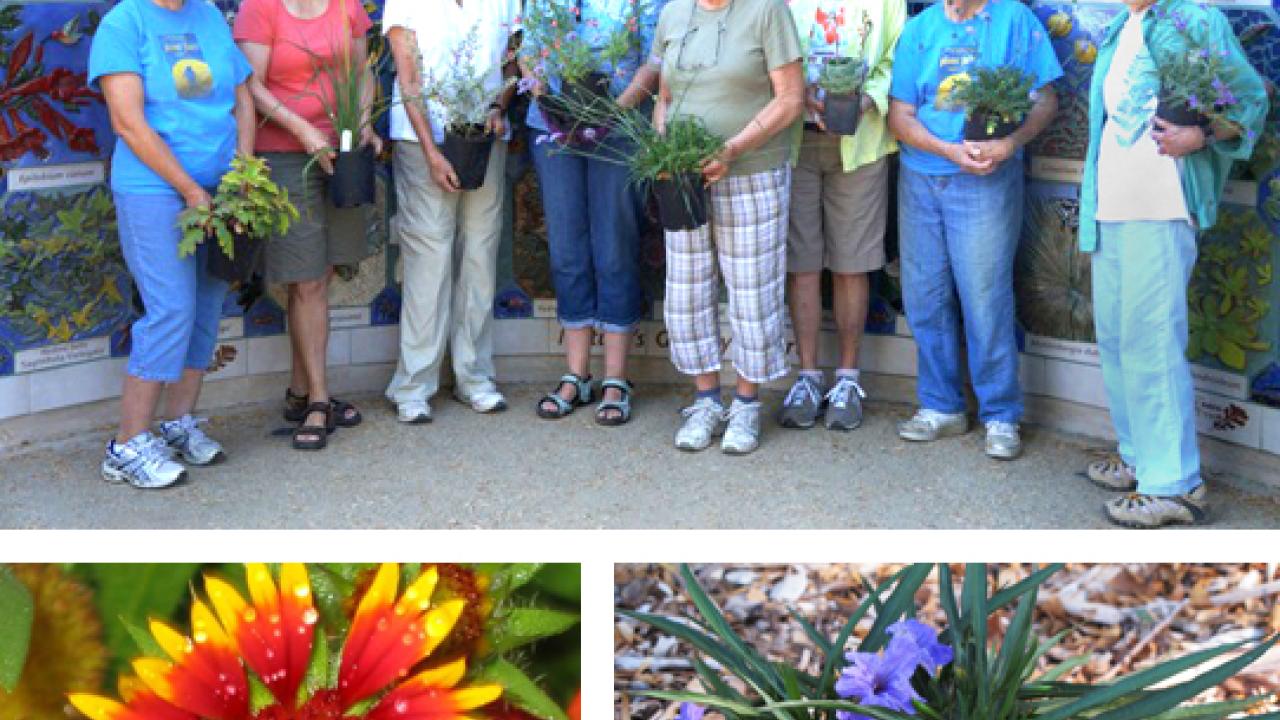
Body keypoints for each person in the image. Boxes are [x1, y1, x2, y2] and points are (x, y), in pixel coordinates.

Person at [1078, 0, 1266, 527]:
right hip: (1112, 205)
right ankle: (1139, 458)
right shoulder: (1123, 26)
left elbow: (1251, 101)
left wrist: (1200, 136)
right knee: (1116, 336)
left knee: (1152, 339)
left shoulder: (1195, 19)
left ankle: (1176, 484)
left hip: (1162, 206)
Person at [89, 0, 254, 487]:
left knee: (206, 304)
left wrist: (242, 169)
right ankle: (126, 444)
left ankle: (178, 422)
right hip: (155, 191)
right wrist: (188, 189)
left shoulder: (207, 15)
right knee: (170, 308)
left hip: (219, 192)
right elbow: (127, 122)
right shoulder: (125, 22)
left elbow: (242, 95)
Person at [887, 0, 1061, 460]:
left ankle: (1001, 414)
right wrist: (946, 150)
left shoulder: (1014, 20)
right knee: (925, 295)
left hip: (986, 180)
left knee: (985, 297)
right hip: (921, 177)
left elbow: (1045, 99)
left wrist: (1010, 142)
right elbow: (899, 114)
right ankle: (941, 406)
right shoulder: (921, 27)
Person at [650, 0, 806, 454]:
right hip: (685, 178)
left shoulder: (766, 11)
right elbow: (664, 99)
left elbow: (791, 98)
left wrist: (733, 149)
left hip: (753, 170)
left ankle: (745, 404)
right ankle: (704, 401)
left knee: (752, 291)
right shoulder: (673, 13)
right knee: (686, 292)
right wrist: (665, 154)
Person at [234, 0, 380, 450]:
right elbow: (250, 85)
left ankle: (300, 392)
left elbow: (363, 71)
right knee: (307, 279)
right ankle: (319, 399)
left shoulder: (346, 6)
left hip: (340, 153)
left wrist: (363, 124)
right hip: (283, 155)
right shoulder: (258, 9)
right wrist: (301, 129)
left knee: (323, 272)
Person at [521, 0, 665, 426]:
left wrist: (611, 110)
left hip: (618, 129)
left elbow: (654, 60)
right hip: (555, 130)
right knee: (567, 247)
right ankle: (576, 374)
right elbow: (530, 51)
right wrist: (549, 99)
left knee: (614, 245)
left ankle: (616, 378)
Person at [381, 0, 520, 424]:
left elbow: (513, 64)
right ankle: (413, 383)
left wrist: (499, 107)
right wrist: (431, 152)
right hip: (422, 142)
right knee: (429, 260)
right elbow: (408, 81)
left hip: (485, 139)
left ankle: (474, 377)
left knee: (481, 253)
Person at [778, 0, 905, 431]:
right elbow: (769, 50)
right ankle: (809, 375)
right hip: (796, 139)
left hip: (861, 145)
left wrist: (866, 101)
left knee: (853, 264)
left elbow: (894, 56)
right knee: (803, 263)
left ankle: (848, 378)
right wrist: (800, 96)